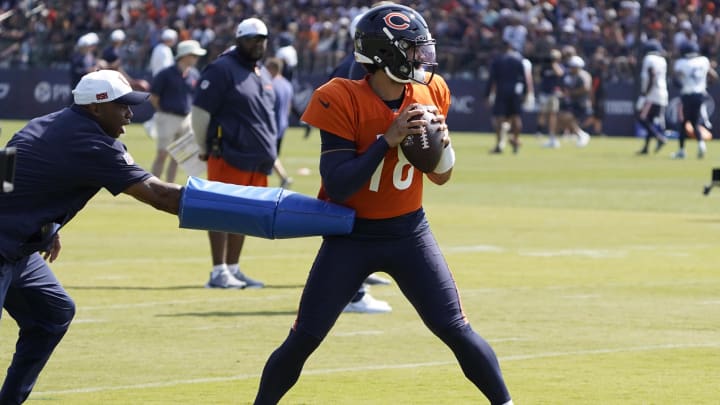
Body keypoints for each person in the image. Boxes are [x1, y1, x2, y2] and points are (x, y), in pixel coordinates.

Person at [254, 5, 513, 404]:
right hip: (351, 235)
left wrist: (443, 148)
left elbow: (440, 177)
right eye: (411, 50)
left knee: (455, 328)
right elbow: (339, 184)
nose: (421, 58)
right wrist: (386, 140)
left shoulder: (432, 91)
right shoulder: (339, 95)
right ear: (383, 54)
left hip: (409, 232)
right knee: (305, 337)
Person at [0, 69, 184, 404]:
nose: (130, 113)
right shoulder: (95, 144)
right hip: (5, 246)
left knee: (52, 314)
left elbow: (7, 176)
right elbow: (162, 197)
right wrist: (228, 205)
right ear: (96, 108)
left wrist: (47, 226)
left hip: (18, 247)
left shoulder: (43, 123)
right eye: (122, 105)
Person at [191, 17, 277, 289]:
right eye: (252, 39)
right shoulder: (221, 69)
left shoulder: (259, 71)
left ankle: (233, 268)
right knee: (221, 210)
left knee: (246, 215)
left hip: (256, 158)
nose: (257, 44)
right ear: (239, 40)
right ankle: (218, 271)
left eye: (261, 39)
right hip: (228, 152)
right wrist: (203, 148)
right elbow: (200, 113)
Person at [325, 7, 393, 314]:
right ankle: (354, 293)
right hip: (357, 157)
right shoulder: (358, 71)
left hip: (353, 155)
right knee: (354, 221)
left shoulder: (349, 65)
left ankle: (358, 280)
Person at [149, 40, 207, 182]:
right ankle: (153, 185)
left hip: (186, 118)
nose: (196, 58)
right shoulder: (165, 74)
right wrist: (163, 112)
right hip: (167, 116)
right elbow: (154, 97)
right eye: (194, 55)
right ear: (185, 55)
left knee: (178, 157)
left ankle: (170, 186)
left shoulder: (194, 74)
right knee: (162, 154)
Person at [671, 41, 718, 159]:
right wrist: (705, 85)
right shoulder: (703, 61)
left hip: (688, 95)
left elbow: (676, 80)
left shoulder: (681, 63)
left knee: (683, 123)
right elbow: (713, 76)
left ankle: (682, 150)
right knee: (693, 122)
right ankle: (701, 145)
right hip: (700, 94)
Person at [486, 40, 528, 154]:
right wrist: (525, 93)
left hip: (501, 92)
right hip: (515, 93)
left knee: (498, 119)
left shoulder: (497, 61)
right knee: (516, 118)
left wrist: (487, 94)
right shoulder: (518, 60)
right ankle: (515, 141)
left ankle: (499, 144)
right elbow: (524, 79)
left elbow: (491, 80)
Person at [636, 39, 669, 155]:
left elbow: (652, 75)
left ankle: (659, 138)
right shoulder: (662, 60)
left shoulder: (649, 59)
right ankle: (646, 148)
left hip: (652, 95)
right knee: (649, 120)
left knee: (642, 118)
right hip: (662, 94)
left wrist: (645, 94)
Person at [265, 57, 294, 189]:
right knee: (272, 155)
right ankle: (283, 178)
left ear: (272, 69)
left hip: (271, 126)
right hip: (282, 125)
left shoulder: (271, 85)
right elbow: (288, 107)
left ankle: (283, 178)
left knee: (268, 155)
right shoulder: (287, 85)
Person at [558, 55, 592, 147]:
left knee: (565, 117)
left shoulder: (583, 75)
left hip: (581, 103)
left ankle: (581, 135)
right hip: (573, 103)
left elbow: (586, 88)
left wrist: (571, 93)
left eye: (573, 66)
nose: (571, 68)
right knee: (563, 119)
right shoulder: (570, 76)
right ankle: (579, 135)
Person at [537, 49, 565, 148]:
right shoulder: (545, 66)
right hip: (544, 93)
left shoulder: (558, 66)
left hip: (553, 94)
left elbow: (560, 73)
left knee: (553, 114)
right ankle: (539, 130)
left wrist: (553, 63)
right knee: (543, 113)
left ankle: (552, 134)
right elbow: (538, 76)